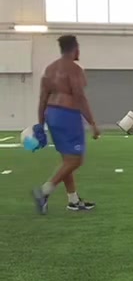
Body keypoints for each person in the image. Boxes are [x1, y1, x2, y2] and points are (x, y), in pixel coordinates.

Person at [32, 34, 99, 214]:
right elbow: (79, 96)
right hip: (68, 115)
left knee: (67, 160)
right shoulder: (74, 69)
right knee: (76, 160)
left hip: (51, 115)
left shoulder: (49, 69)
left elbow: (42, 98)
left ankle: (73, 201)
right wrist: (93, 123)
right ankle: (44, 191)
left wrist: (41, 124)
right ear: (75, 49)